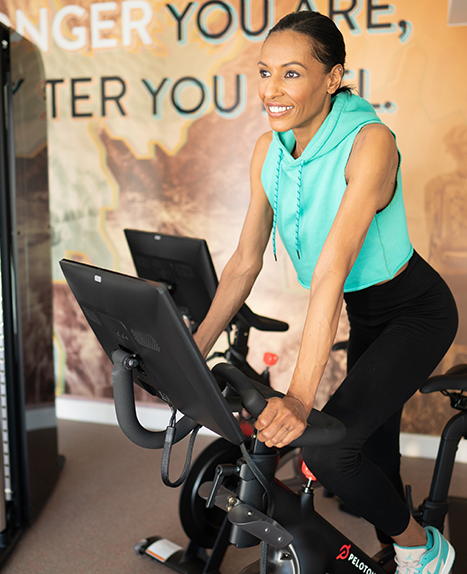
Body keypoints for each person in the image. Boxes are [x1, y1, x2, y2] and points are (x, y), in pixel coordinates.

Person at [193, 11, 458, 574]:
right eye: (265, 72)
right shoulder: (269, 149)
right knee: (371, 455)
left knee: (328, 448)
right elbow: (244, 263)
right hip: (367, 315)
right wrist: (192, 349)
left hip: (416, 311)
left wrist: (298, 401)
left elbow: (332, 271)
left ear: (333, 77)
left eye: (291, 74)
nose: (271, 89)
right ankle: (397, 540)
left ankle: (423, 547)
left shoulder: (371, 142)